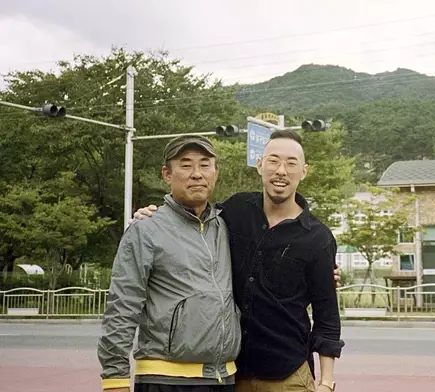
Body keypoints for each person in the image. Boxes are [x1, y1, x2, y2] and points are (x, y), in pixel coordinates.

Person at [135, 129, 344, 391]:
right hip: (232, 373)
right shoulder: (234, 210)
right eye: (273, 160)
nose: (281, 170)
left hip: (287, 373)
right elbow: (194, 217)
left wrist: (326, 382)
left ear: (303, 171)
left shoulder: (318, 238)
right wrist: (153, 214)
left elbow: (327, 317)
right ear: (260, 165)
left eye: (291, 163)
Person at [98, 135, 240, 392]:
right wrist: (114, 379)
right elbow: (122, 307)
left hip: (223, 378)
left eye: (205, 164)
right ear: (167, 173)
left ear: (215, 172)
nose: (197, 174)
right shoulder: (146, 230)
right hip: (165, 380)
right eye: (185, 165)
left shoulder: (226, 227)